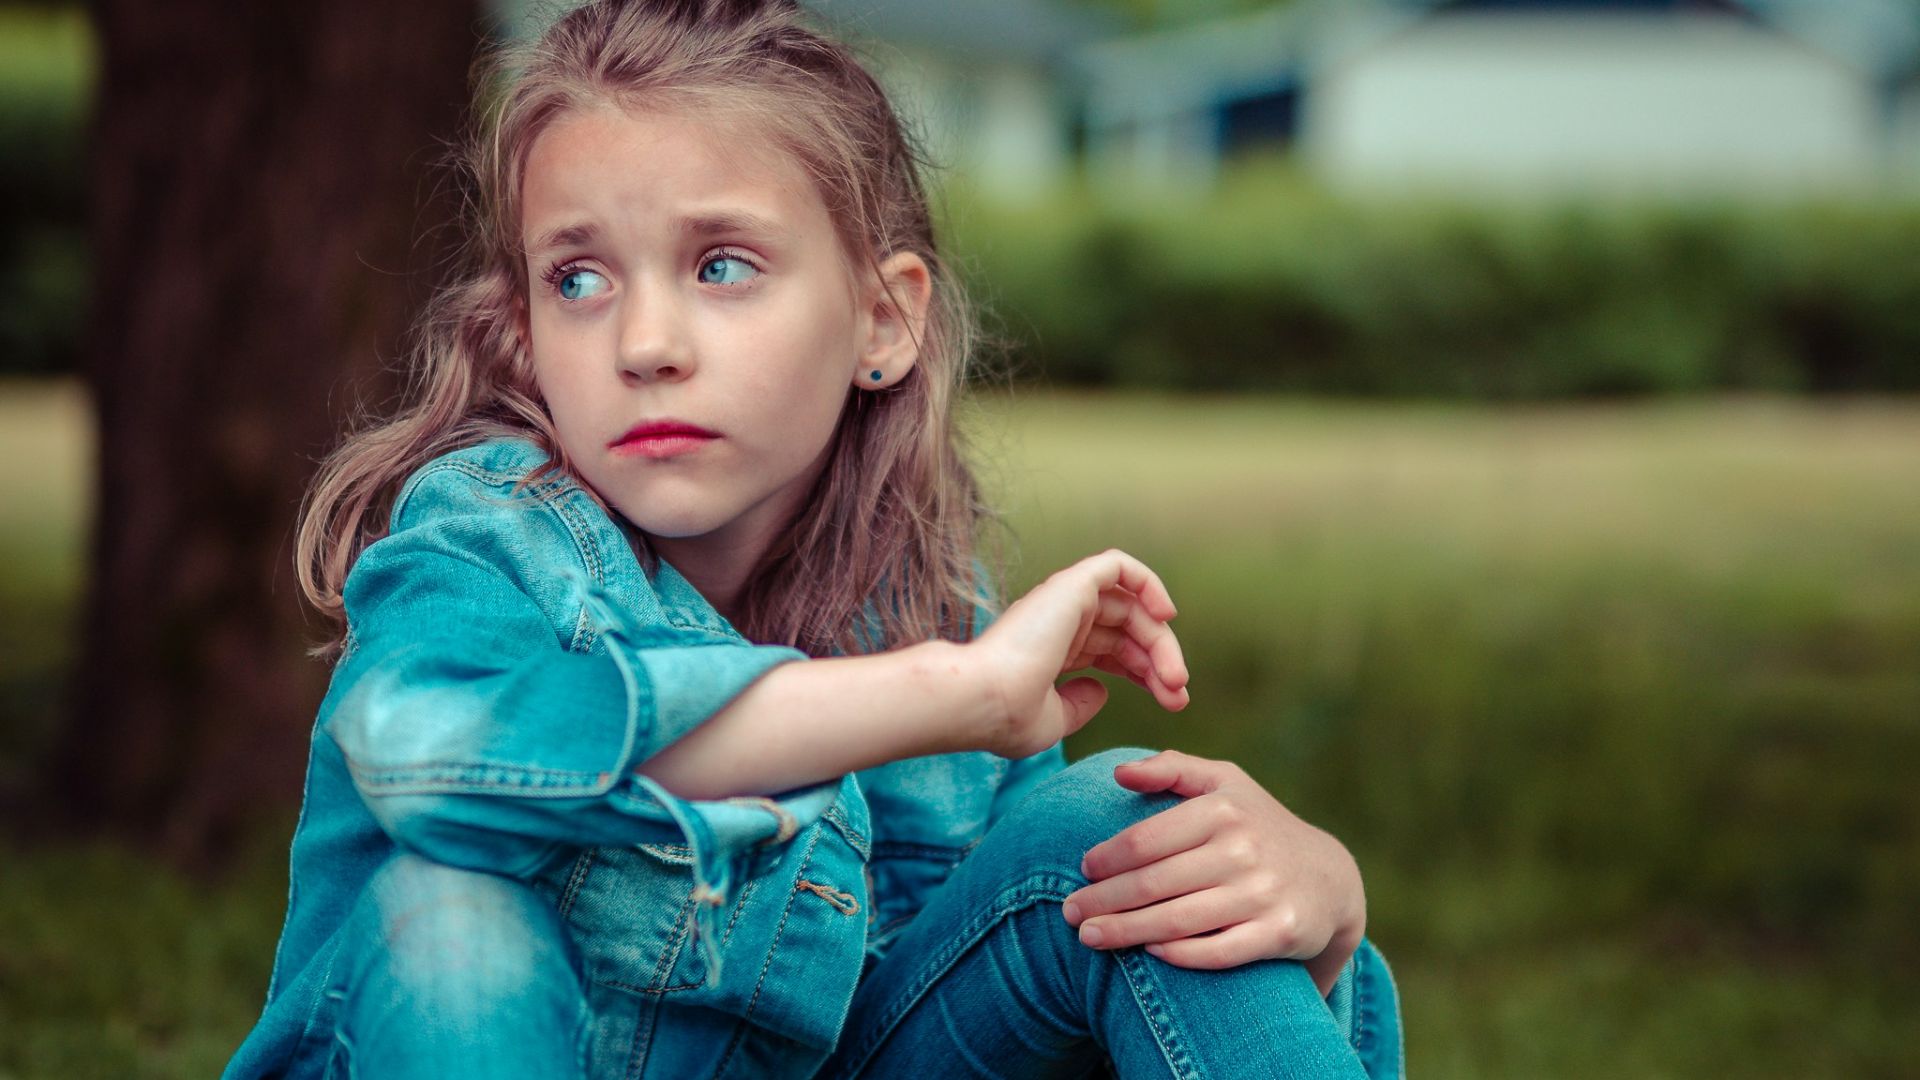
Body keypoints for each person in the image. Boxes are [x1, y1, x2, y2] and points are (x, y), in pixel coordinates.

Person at [224, 1, 1404, 1076]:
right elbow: (420, 755)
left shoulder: (929, 612)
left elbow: (1064, 1002)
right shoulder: (483, 541)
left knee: (1140, 862)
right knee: (453, 920)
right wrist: (946, 693)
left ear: (882, 320)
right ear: (525, 337)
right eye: (577, 278)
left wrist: (1332, 914)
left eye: (721, 265)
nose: (646, 341)